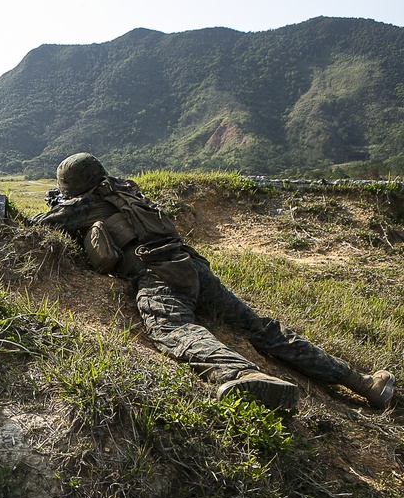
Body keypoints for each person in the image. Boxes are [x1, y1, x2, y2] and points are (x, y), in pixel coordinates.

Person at [31, 152, 395, 411]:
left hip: (158, 276)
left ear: (71, 187)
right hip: (192, 266)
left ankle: (240, 373)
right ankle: (363, 383)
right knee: (263, 329)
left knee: (173, 330)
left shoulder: (78, 206)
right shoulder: (127, 189)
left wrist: (57, 205)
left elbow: (38, 228)